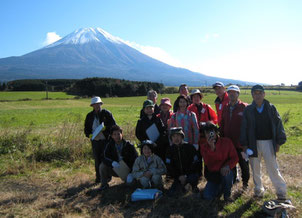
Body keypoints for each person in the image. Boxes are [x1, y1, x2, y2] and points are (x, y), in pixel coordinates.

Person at [240, 85, 287, 200]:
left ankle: (281, 192)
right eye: (255, 93)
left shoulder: (271, 108)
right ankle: (258, 191)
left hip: (269, 143)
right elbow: (244, 127)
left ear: (264, 94)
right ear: (252, 95)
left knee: (273, 168)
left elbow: (278, 124)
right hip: (252, 143)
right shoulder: (248, 110)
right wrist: (245, 145)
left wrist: (278, 142)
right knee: (255, 168)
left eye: (260, 93)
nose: (257, 95)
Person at [220, 85, 250, 190]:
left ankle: (245, 184)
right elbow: (222, 124)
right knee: (230, 164)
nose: (232, 94)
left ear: (238, 94)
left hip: (241, 144)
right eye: (230, 92)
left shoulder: (245, 107)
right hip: (229, 143)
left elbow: (250, 126)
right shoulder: (226, 108)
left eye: (234, 92)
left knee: (244, 164)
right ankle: (231, 181)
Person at [200, 122, 239, 201]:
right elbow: (208, 163)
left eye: (211, 132)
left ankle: (227, 195)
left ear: (216, 132)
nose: (210, 135)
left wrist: (227, 166)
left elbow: (235, 158)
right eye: (207, 133)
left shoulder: (227, 142)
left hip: (227, 172)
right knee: (208, 196)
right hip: (214, 175)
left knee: (227, 174)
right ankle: (219, 188)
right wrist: (212, 148)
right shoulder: (204, 147)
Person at [84, 96, 116, 183]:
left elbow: (114, 126)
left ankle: (108, 178)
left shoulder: (107, 113)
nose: (97, 106)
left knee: (107, 159)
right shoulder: (89, 116)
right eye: (95, 104)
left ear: (101, 104)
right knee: (97, 159)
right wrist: (89, 135)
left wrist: (106, 128)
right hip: (95, 141)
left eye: (98, 104)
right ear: (92, 106)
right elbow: (86, 129)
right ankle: (98, 178)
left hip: (106, 140)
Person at [99, 125, 138, 190]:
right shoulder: (109, 145)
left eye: (118, 134)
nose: (117, 136)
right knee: (102, 166)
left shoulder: (129, 145)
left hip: (127, 170)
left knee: (131, 185)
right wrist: (112, 162)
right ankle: (104, 185)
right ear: (112, 136)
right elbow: (104, 157)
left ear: (122, 134)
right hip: (115, 168)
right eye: (114, 134)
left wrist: (131, 173)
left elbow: (136, 159)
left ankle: (129, 183)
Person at [166, 127, 202, 194]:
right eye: (174, 136)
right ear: (171, 138)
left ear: (182, 136)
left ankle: (193, 187)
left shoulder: (190, 147)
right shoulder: (169, 150)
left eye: (178, 136)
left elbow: (196, 163)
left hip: (190, 175)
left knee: (193, 179)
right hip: (178, 177)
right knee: (172, 194)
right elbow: (169, 166)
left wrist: (185, 176)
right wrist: (178, 176)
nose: (176, 138)